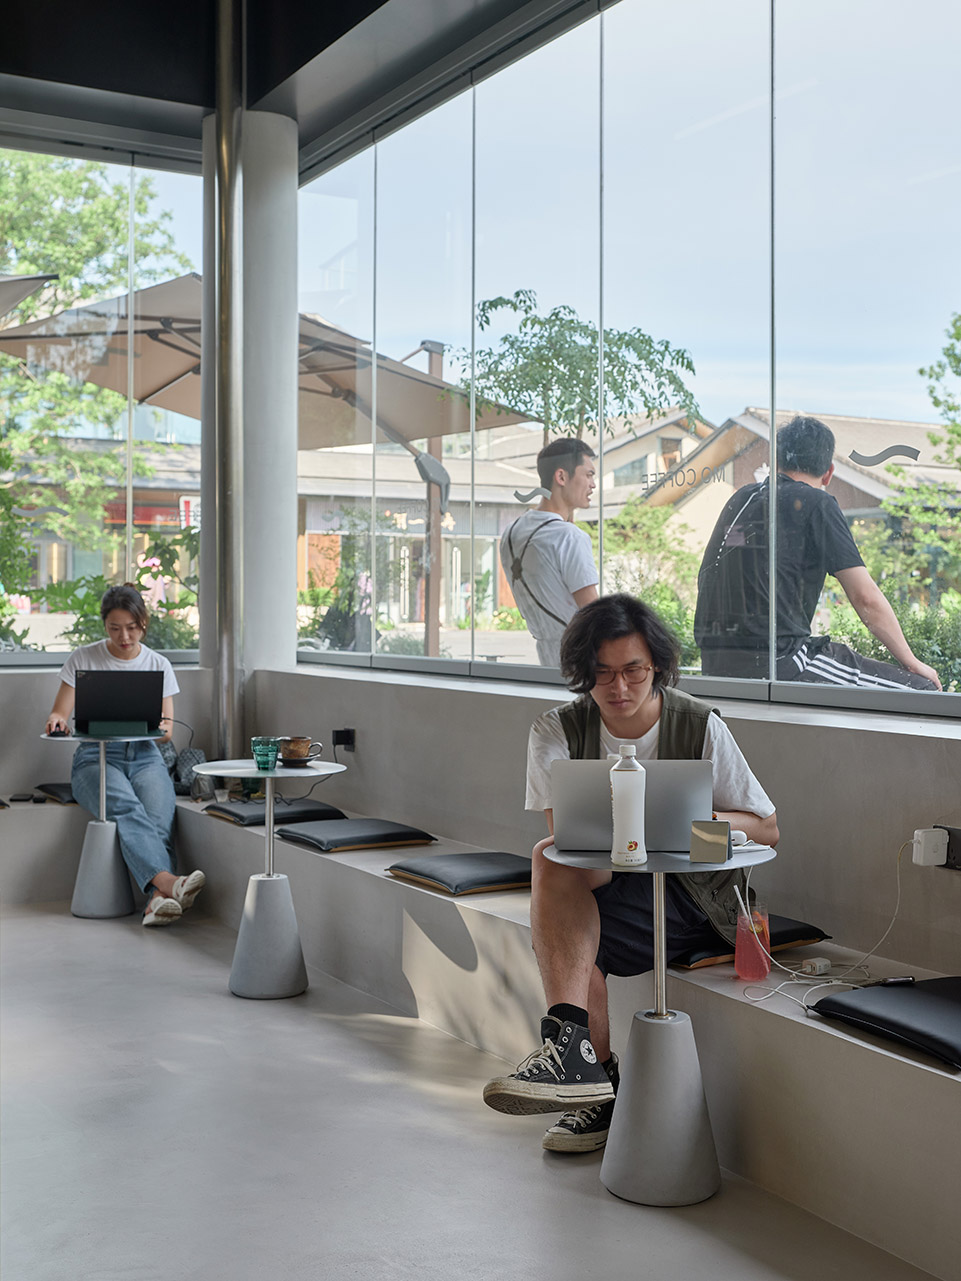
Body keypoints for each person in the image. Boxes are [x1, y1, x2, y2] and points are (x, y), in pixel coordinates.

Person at [483, 593, 778, 1153]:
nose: (618, 687)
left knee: (575, 948)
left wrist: (697, 822)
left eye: (633, 671)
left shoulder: (698, 724)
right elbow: (571, 843)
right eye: (602, 674)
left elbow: (767, 828)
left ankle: (587, 1079)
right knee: (549, 856)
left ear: (657, 665)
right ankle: (581, 1066)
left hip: (691, 893)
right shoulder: (556, 730)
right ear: (582, 673)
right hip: (607, 878)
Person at [694, 415, 941, 690]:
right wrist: (912, 662)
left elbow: (709, 575)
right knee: (922, 690)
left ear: (777, 462)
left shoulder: (742, 498)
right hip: (780, 661)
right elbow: (865, 597)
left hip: (717, 662)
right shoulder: (817, 503)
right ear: (828, 473)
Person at [44, 583, 205, 926]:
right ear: (104, 624)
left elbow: (167, 732)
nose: (124, 637)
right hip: (95, 758)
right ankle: (169, 884)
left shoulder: (158, 663)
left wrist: (153, 726)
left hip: (146, 755)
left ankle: (157, 902)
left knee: (160, 821)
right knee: (127, 808)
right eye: (115, 628)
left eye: (132, 627)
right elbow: (59, 713)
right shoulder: (84, 658)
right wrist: (57, 721)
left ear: (143, 623)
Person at [499, 438, 599, 666]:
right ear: (561, 477)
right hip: (583, 661)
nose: (593, 484)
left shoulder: (511, 533)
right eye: (588, 475)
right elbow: (595, 615)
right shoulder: (569, 537)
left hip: (547, 661)